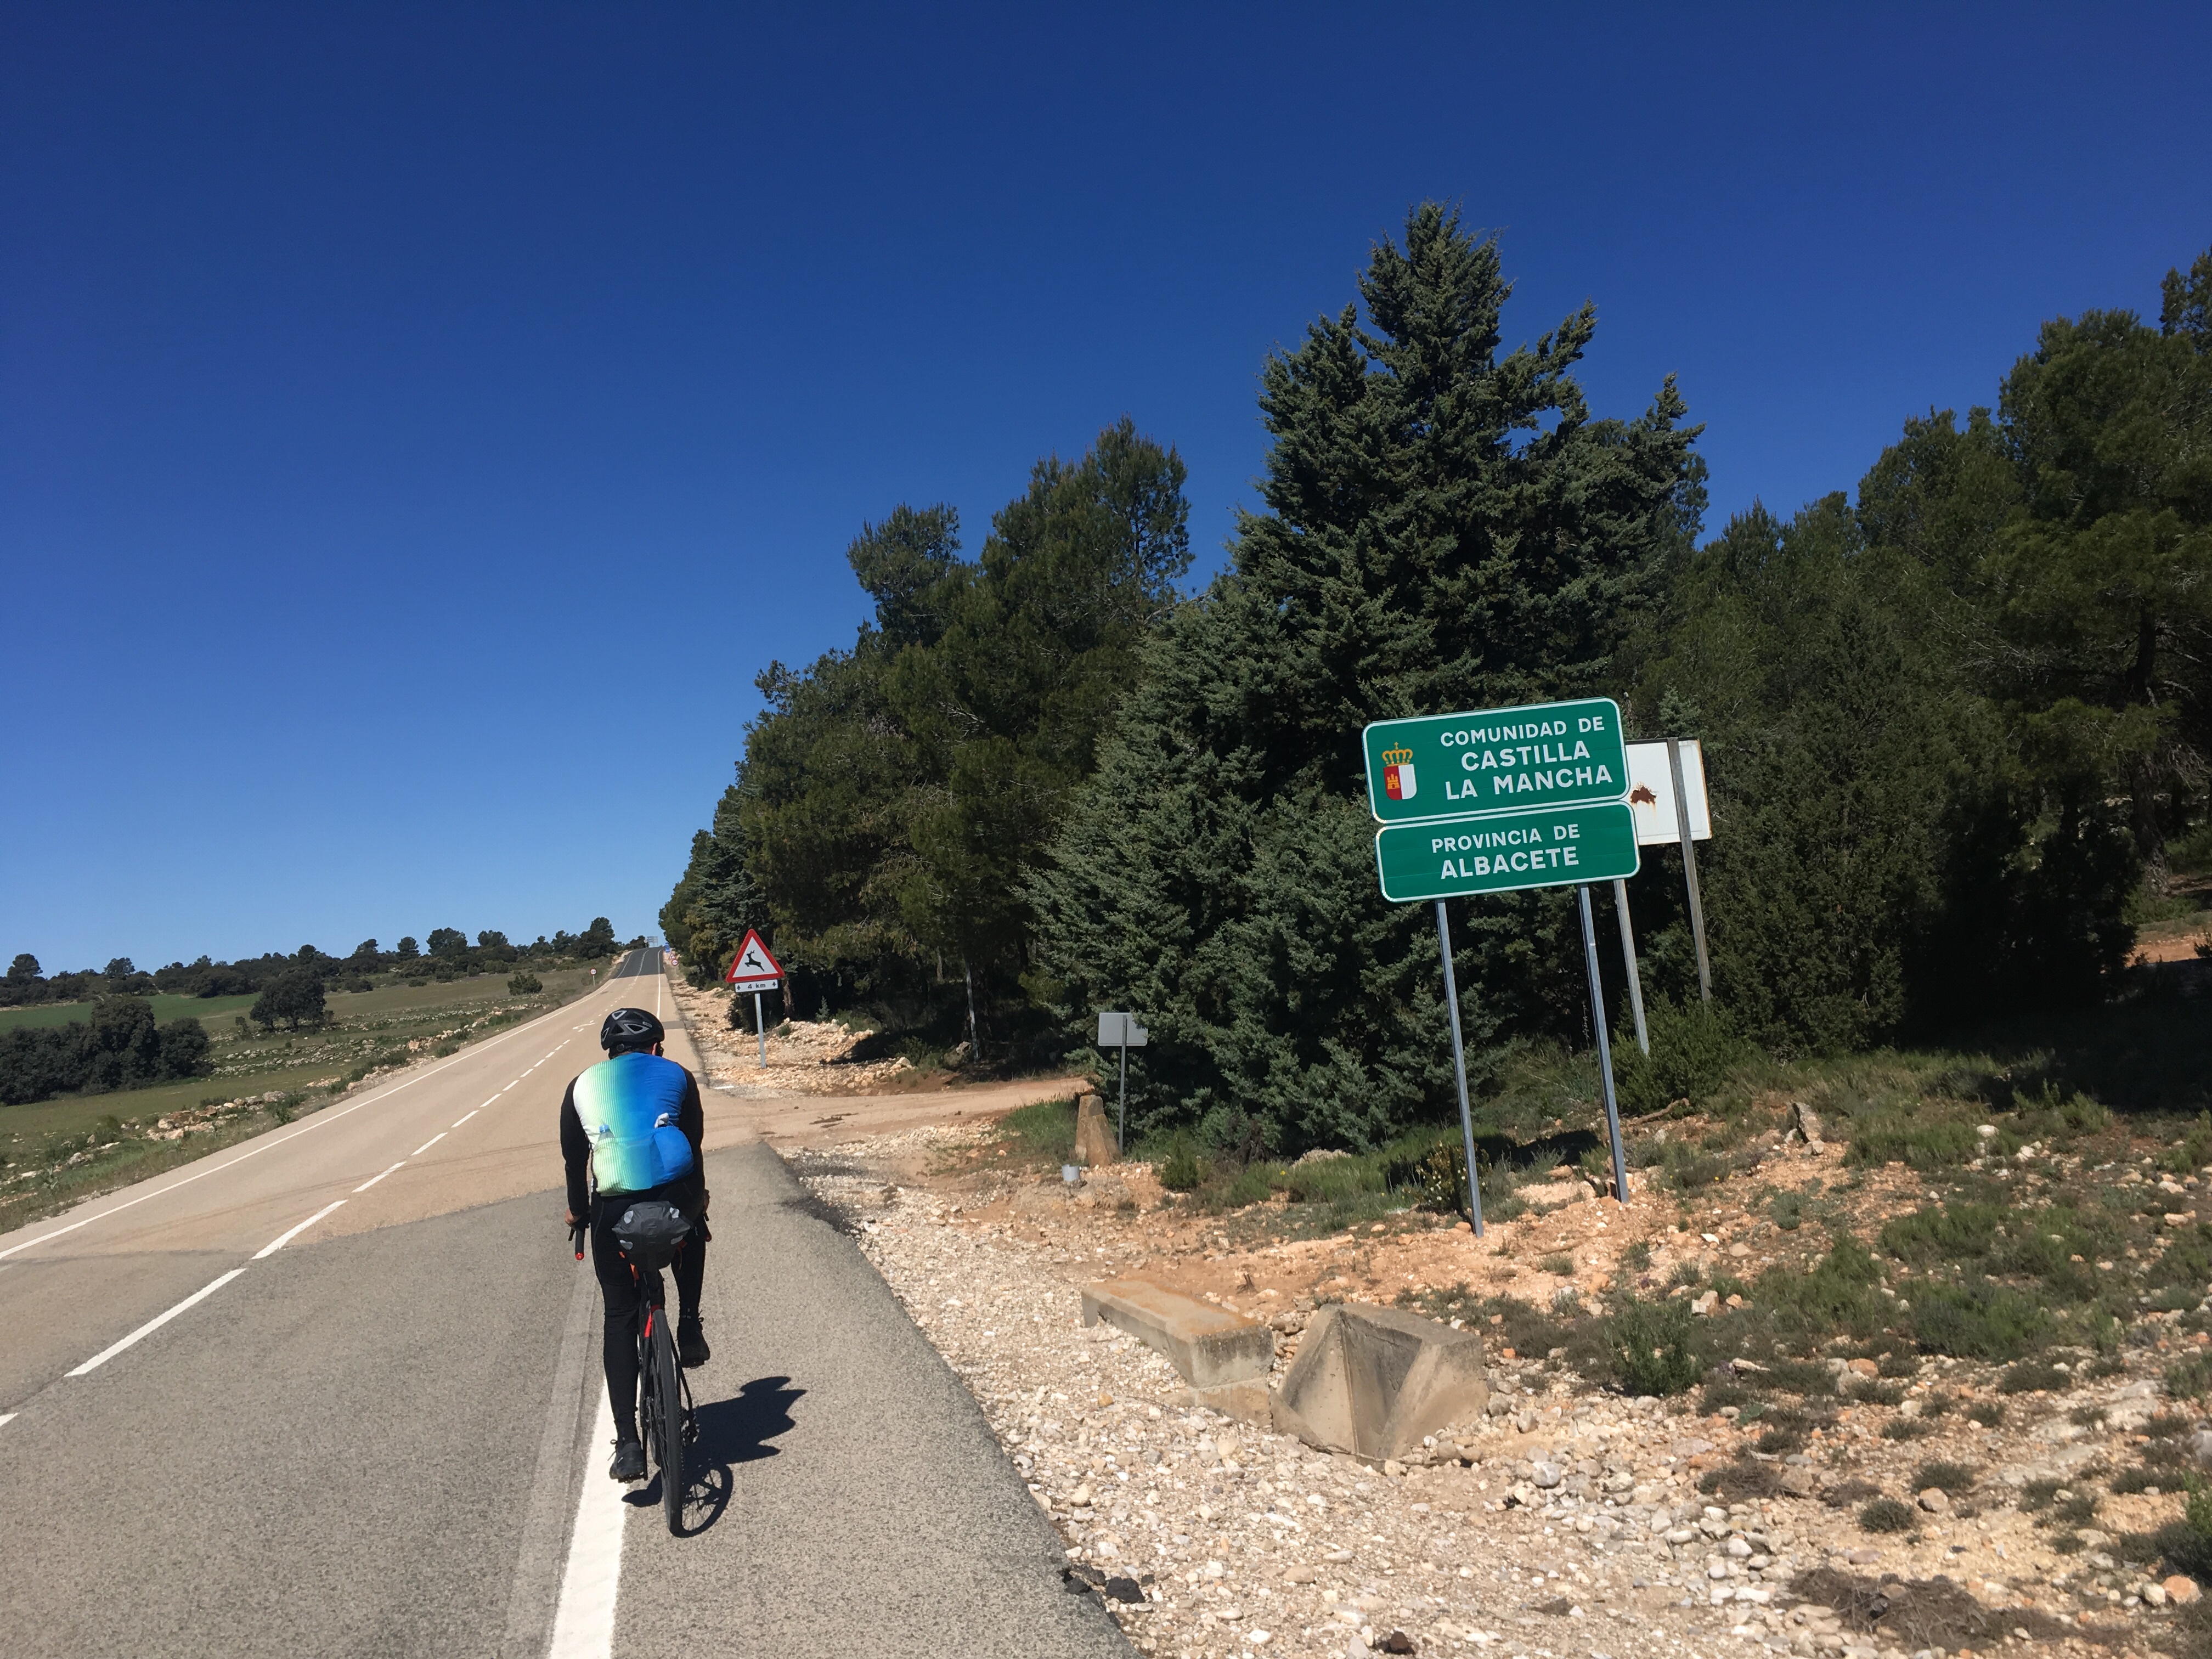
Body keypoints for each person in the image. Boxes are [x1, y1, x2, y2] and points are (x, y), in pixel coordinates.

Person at [561, 1006, 712, 1482]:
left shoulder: (581, 1085)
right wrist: (698, 1201)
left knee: (620, 1313)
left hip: (613, 1207)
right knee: (693, 1228)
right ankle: (689, 1325)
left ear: (611, 1051)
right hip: (675, 1195)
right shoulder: (678, 1075)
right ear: (656, 1047)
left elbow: (574, 1161)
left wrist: (578, 1212)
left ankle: (628, 1443)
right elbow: (693, 1143)